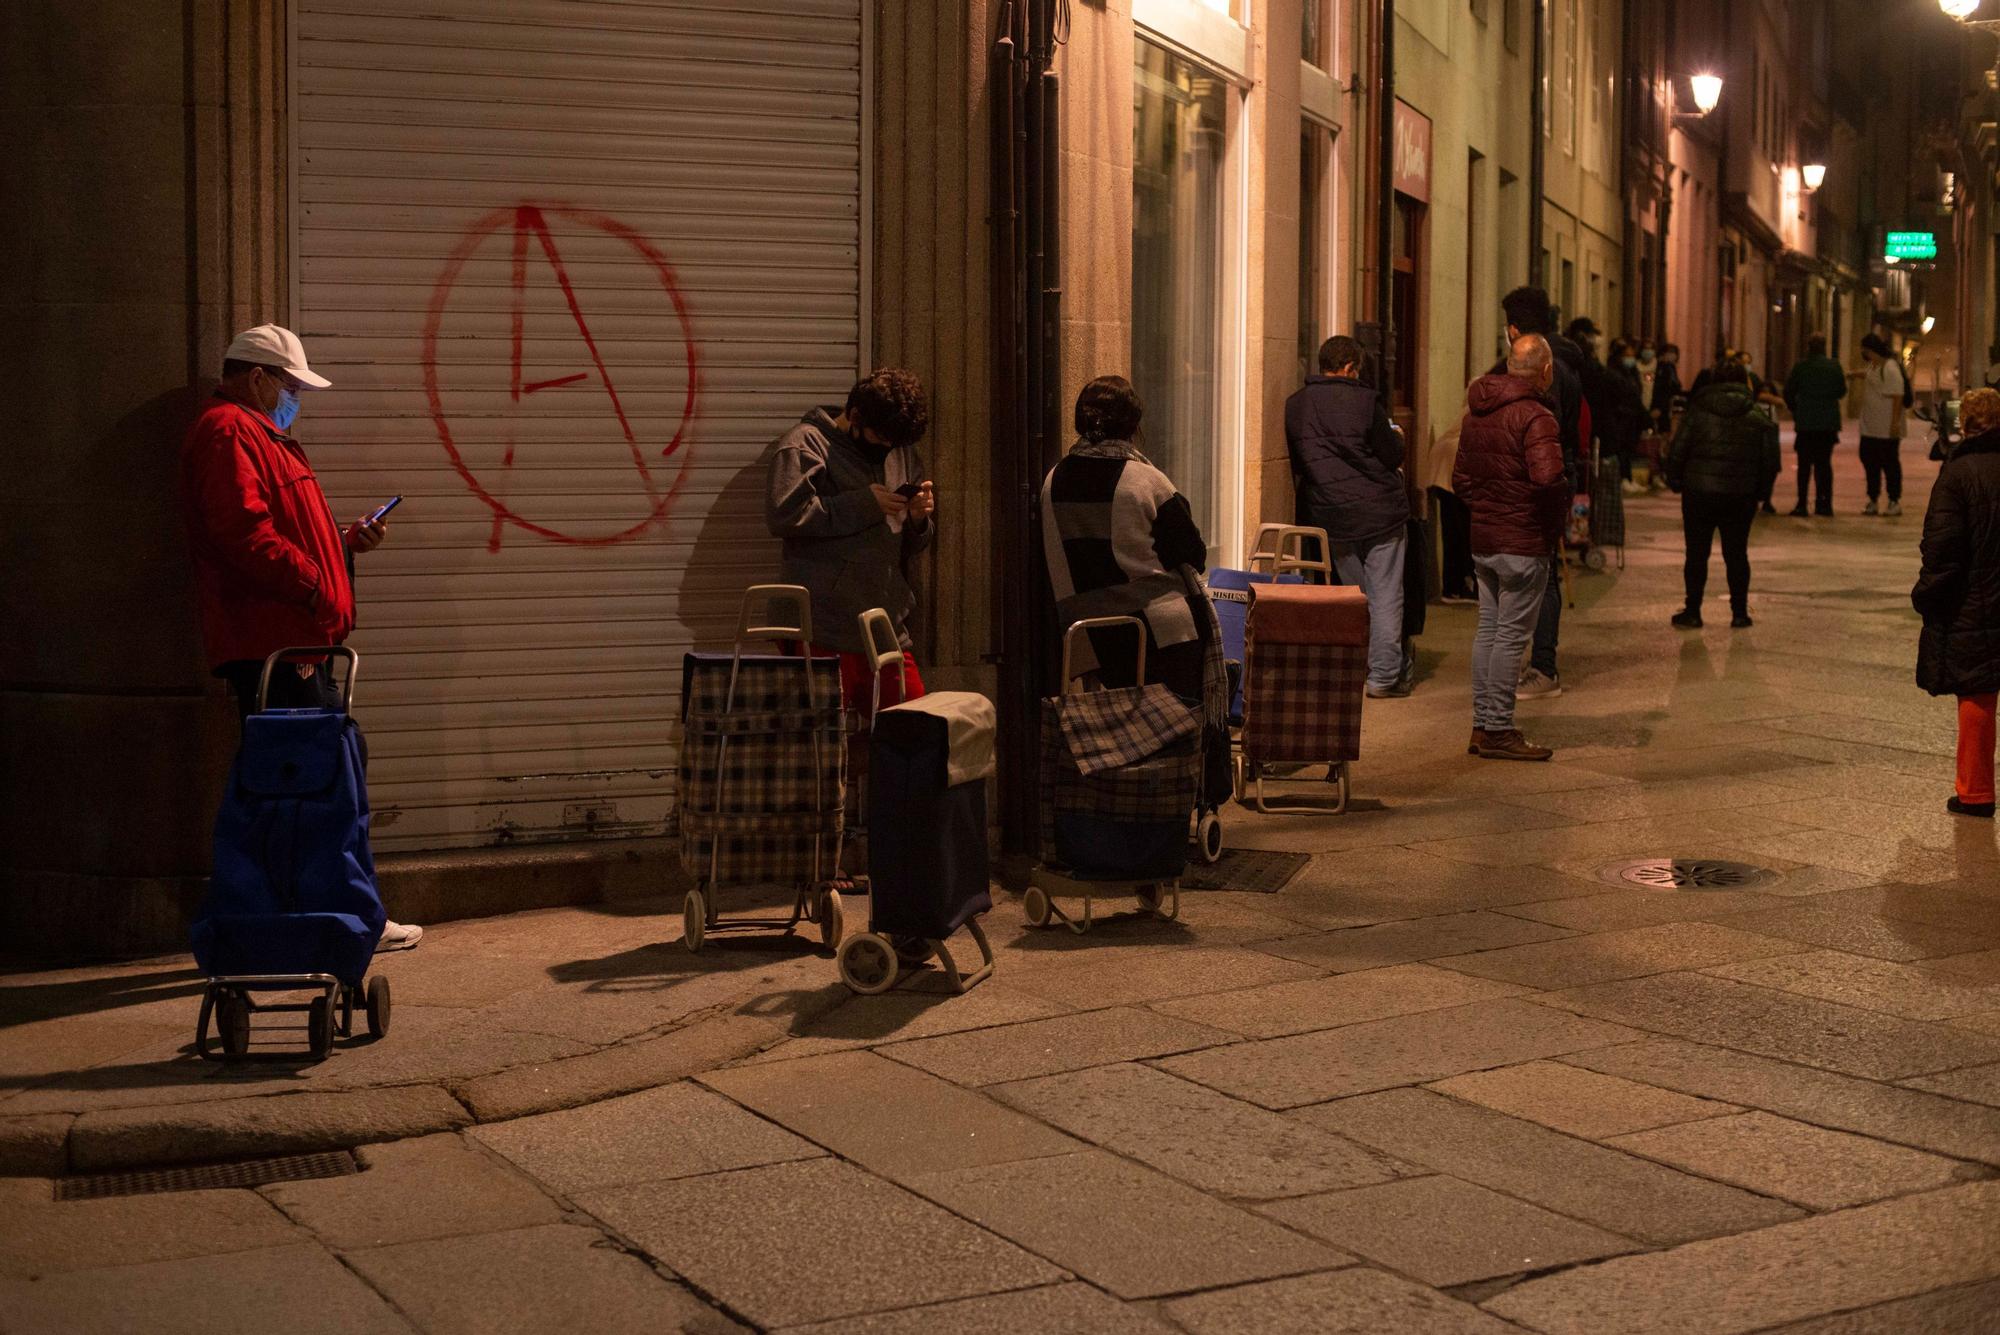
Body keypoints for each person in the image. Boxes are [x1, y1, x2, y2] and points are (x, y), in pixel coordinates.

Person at [180, 324, 421, 951]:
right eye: (290, 386)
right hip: (275, 646)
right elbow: (244, 534)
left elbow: (276, 533)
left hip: (295, 640)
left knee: (327, 771)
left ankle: (329, 913)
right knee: (314, 782)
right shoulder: (231, 431)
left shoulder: (265, 436)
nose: (295, 398)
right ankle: (337, 917)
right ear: (257, 377)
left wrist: (342, 546)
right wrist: (316, 582)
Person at [1041, 375, 1230, 804]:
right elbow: (1192, 552)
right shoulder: (1146, 480)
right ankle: (1189, 800)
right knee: (1183, 714)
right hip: (1161, 631)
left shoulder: (1054, 480)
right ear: (1131, 424)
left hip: (1090, 636)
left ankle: (1119, 804)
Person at [765, 367, 935, 710]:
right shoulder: (806, 443)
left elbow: (907, 543)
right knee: (824, 741)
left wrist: (919, 519)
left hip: (885, 622)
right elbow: (784, 515)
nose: (887, 449)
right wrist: (864, 504)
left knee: (913, 725)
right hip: (823, 625)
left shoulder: (900, 452)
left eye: (895, 444)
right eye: (881, 439)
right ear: (855, 416)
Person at [1454, 335, 1568, 762]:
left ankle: (1482, 724)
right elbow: (1547, 480)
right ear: (1545, 371)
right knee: (1510, 637)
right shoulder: (1536, 416)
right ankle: (1499, 727)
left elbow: (1461, 481)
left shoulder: (1476, 413)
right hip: (1522, 540)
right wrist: (1551, 524)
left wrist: (1489, 508)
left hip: (1485, 539)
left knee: (1488, 629)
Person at [1284, 335, 1413, 697]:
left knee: (1353, 595)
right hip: (1380, 514)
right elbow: (1391, 454)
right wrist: (1397, 436)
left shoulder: (1296, 405)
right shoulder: (1365, 401)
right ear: (1349, 367)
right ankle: (1384, 676)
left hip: (1332, 514)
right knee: (1385, 594)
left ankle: (1354, 667)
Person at [1496, 288, 1586, 700]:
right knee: (1543, 573)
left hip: (1519, 482)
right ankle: (1539, 664)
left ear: (1513, 329)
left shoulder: (1505, 374)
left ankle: (1533, 664)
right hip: (1553, 479)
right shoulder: (1567, 370)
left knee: (1514, 576)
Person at [1914, 387, 2000, 818]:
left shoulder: (1958, 473)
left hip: (1976, 600)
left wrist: (1927, 594)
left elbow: (1943, 547)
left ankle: (1977, 792)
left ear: (1963, 424)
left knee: (1978, 693)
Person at [1662, 362, 1780, 629]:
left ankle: (1693, 610)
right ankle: (1739, 613)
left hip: (1699, 492)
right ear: (1745, 383)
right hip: (1740, 496)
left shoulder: (1698, 412)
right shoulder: (1757, 416)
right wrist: (1760, 492)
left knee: (1696, 553)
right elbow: (1769, 461)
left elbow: (1678, 449)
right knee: (1737, 553)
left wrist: (1675, 480)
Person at [1783, 334, 1847, 517]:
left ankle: (1802, 503)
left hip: (1806, 424)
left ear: (1808, 347)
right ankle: (1824, 504)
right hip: (1827, 424)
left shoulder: (1801, 367)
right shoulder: (1834, 366)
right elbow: (1841, 391)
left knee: (1804, 466)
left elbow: (1789, 391)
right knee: (1824, 465)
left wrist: (1795, 409)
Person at [1858, 335, 1909, 516]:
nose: (1862, 353)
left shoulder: (1890, 367)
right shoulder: (1874, 366)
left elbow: (1898, 395)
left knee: (1889, 464)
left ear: (1871, 350)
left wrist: (1895, 423)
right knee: (1869, 461)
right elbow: (1867, 376)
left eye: (1864, 350)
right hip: (1870, 427)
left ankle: (1894, 500)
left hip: (1886, 429)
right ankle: (1873, 498)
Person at [1651, 342, 1685, 435]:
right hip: (1660, 407)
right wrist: (1659, 407)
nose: (1672, 355)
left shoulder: (1671, 368)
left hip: (1668, 407)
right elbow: (1659, 389)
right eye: (1669, 352)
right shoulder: (1660, 368)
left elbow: (1675, 386)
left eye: (1674, 352)